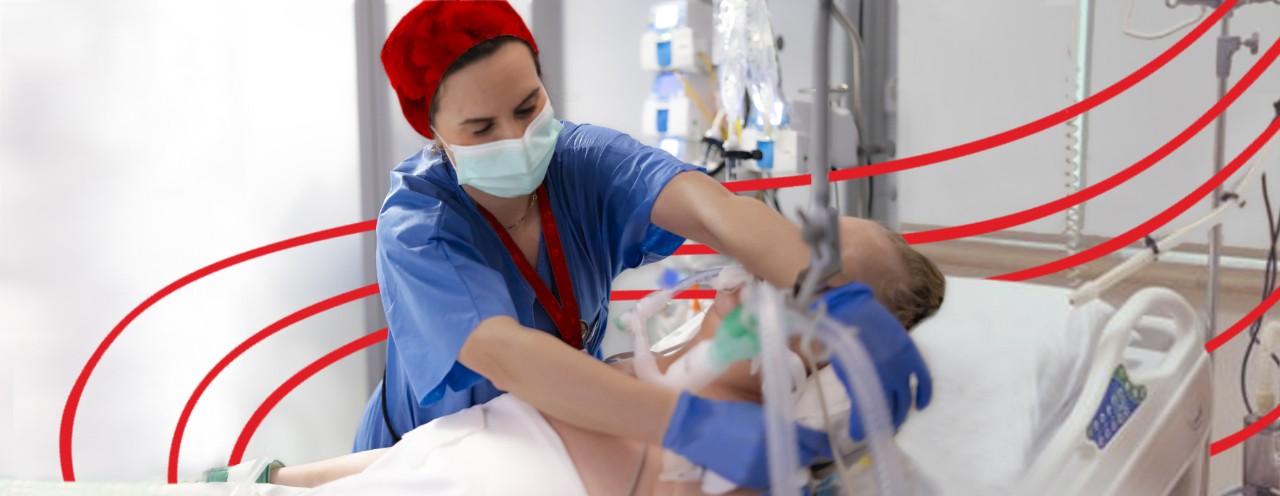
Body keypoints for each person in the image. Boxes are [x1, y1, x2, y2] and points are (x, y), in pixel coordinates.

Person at [356, 1, 933, 488]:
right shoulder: (420, 225)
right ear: (432, 131)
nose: (517, 138)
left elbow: (717, 210)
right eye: (481, 130)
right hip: (417, 455)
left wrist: (828, 291)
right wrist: (693, 425)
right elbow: (510, 357)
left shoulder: (582, 164)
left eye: (529, 107)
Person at [260, 218, 945, 494]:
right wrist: (275, 479)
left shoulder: (744, 455)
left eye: (818, 281)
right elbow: (434, 451)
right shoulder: (625, 373)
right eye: (795, 240)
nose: (780, 267)